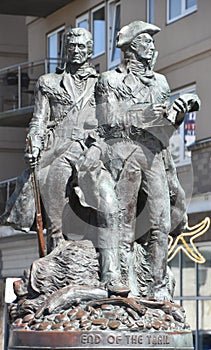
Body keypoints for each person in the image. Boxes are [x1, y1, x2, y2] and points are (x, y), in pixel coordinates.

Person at [78, 21, 200, 299]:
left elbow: (166, 129)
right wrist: (144, 115)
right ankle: (121, 282)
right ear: (132, 46)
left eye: (152, 43)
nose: (153, 47)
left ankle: (158, 288)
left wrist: (178, 112)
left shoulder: (160, 82)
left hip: (154, 155)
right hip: (122, 155)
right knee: (124, 221)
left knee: (160, 222)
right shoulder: (109, 80)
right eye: (147, 42)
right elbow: (108, 122)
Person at [1, 28, 98, 253]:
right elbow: (38, 120)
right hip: (58, 148)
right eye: (71, 46)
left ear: (90, 51)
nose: (76, 50)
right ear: (65, 50)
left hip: (90, 148)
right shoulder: (48, 82)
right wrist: (34, 144)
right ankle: (56, 245)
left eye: (81, 46)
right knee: (53, 182)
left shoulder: (101, 83)